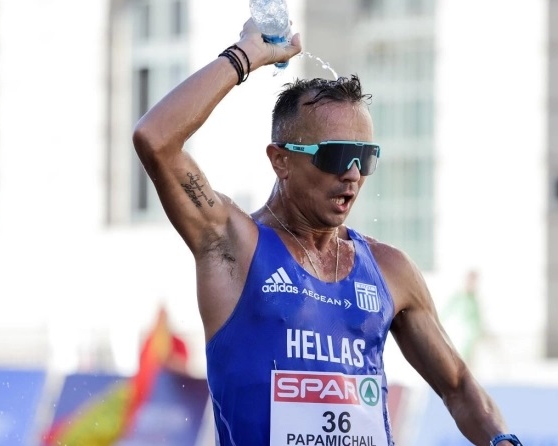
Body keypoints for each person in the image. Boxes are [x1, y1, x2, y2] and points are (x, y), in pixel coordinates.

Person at [132, 18, 522, 446]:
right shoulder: (232, 245)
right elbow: (156, 138)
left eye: (364, 157)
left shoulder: (390, 269)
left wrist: (503, 441)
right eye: (336, 155)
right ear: (281, 160)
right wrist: (245, 56)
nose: (352, 173)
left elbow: (459, 386)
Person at [442, 270, 484, 363]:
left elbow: (477, 321)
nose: (472, 284)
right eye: (471, 281)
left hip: (470, 341)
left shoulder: (473, 300)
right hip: (456, 339)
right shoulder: (457, 297)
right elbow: (443, 314)